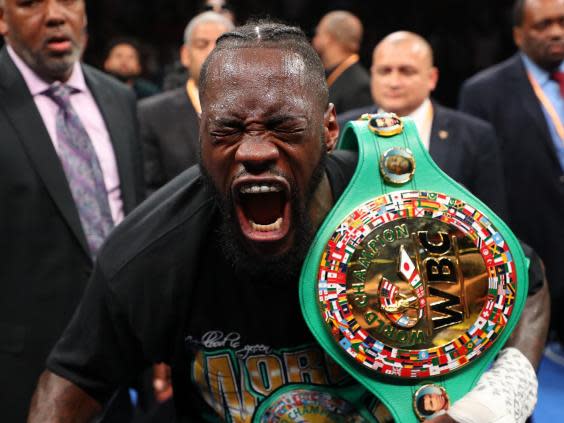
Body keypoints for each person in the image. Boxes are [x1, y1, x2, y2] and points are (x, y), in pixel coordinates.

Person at [28, 22, 548, 423]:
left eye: (282, 126)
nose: (254, 151)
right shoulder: (153, 253)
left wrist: (497, 401)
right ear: (200, 135)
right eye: (229, 129)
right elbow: (72, 381)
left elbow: (527, 284)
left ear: (327, 128)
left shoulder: (403, 211)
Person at [0, 0, 144, 421]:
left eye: (67, 0)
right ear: (2, 18)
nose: (54, 14)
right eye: (30, 3)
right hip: (18, 372)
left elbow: (131, 222)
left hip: (120, 366)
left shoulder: (119, 99)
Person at [459, 0, 564, 342]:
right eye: (542, 25)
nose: (556, 32)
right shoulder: (483, 92)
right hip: (533, 246)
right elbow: (482, 186)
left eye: (562, 22)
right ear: (518, 34)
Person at [339, 31, 508, 219]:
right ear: (372, 75)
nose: (393, 82)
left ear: (432, 78)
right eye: (385, 71)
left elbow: (493, 222)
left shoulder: (475, 135)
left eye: (406, 71)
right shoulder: (344, 129)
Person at [139, 11, 233, 195]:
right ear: (185, 55)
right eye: (202, 44)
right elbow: (149, 192)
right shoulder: (151, 114)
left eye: (221, 44)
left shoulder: (256, 109)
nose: (212, 51)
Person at [312, 10, 372, 114]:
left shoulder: (359, 87)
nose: (315, 39)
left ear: (328, 38)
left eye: (318, 33)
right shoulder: (329, 73)